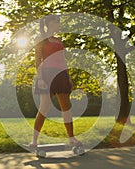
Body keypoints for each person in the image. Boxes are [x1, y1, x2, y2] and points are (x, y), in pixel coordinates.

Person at [30, 14, 82, 147]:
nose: (58, 25)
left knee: (66, 108)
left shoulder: (59, 40)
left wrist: (68, 77)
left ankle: (71, 138)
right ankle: (34, 141)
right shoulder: (41, 40)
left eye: (59, 23)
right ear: (50, 24)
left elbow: (63, 60)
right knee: (44, 108)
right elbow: (37, 61)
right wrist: (40, 78)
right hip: (47, 74)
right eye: (56, 23)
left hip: (61, 76)